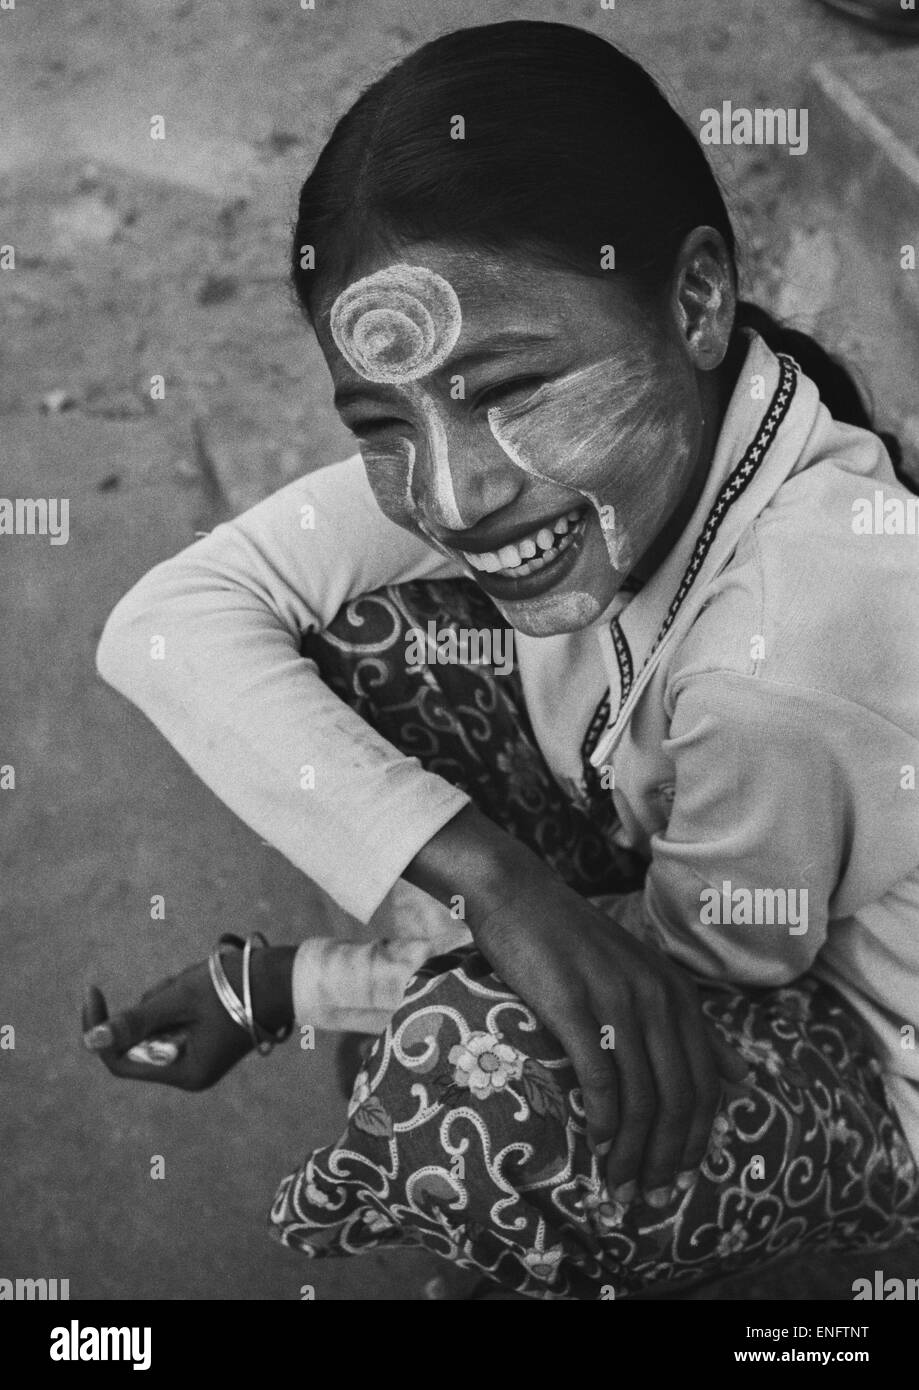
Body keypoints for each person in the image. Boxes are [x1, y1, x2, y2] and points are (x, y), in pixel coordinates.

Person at [86, 22, 919, 1299]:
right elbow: (167, 620)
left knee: (456, 1097)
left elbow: (679, 986)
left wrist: (288, 985)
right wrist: (491, 877)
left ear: (696, 300)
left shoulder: (779, 657)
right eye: (382, 423)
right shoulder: (581, 432)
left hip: (863, 1047)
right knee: (342, 634)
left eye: (507, 389)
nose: (453, 493)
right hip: (686, 837)